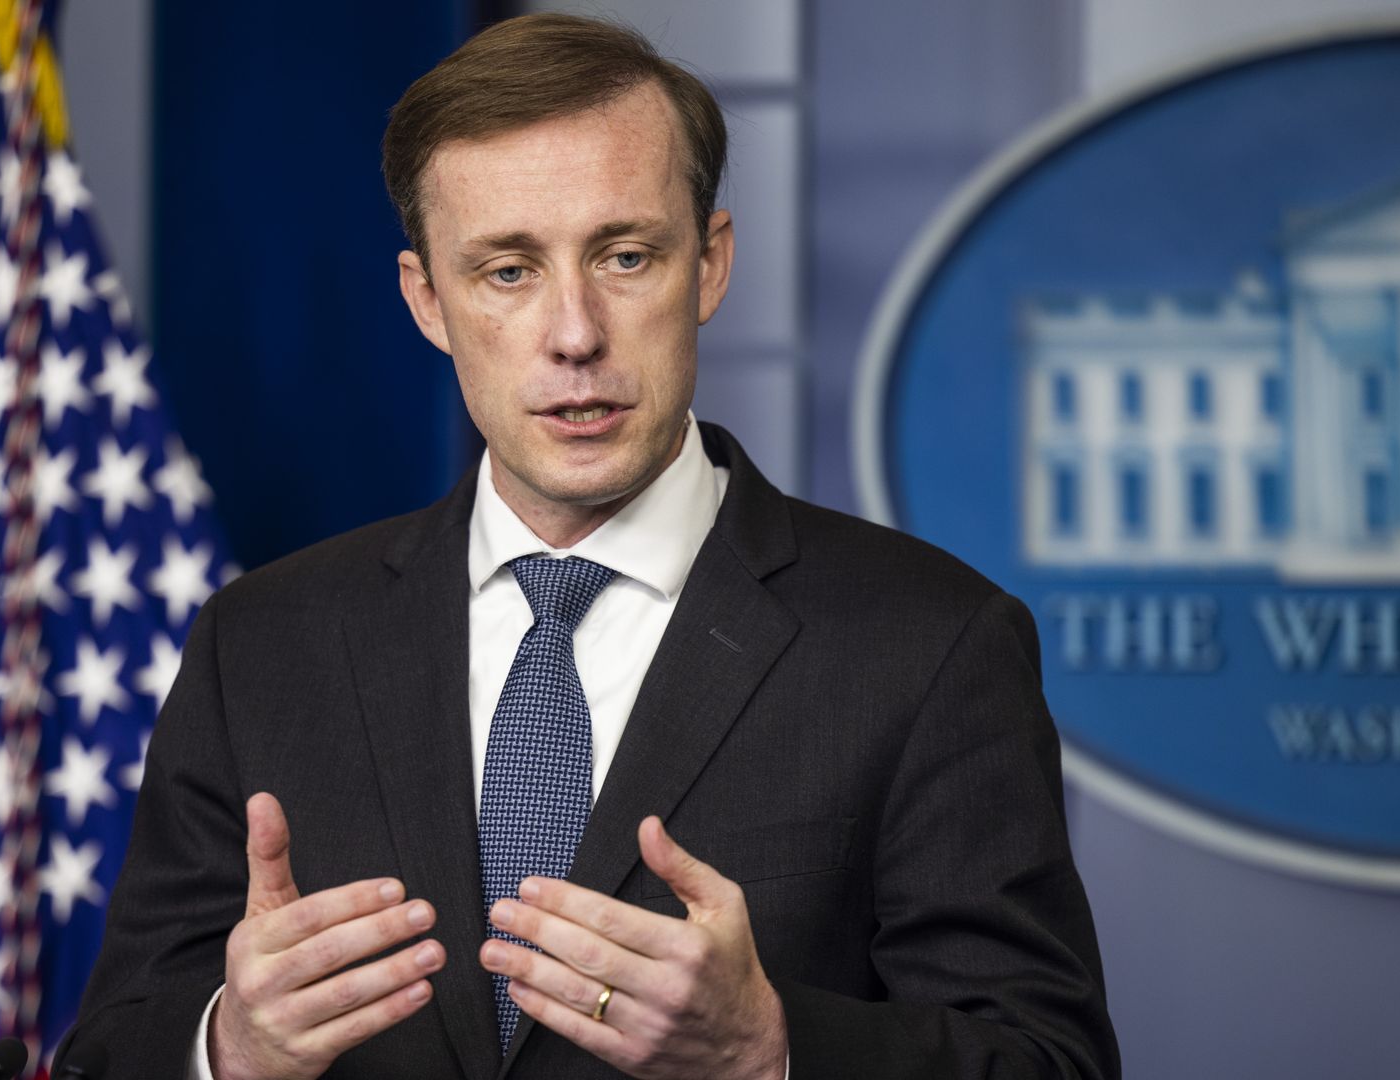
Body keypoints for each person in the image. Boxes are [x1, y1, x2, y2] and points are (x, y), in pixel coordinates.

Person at [62, 13, 1120, 1079]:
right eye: (508, 272)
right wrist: (228, 1047)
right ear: (427, 300)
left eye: (625, 256)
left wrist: (771, 1048)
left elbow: (1049, 1063)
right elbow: (112, 1050)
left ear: (708, 266)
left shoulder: (931, 645)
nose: (575, 333)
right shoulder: (262, 647)